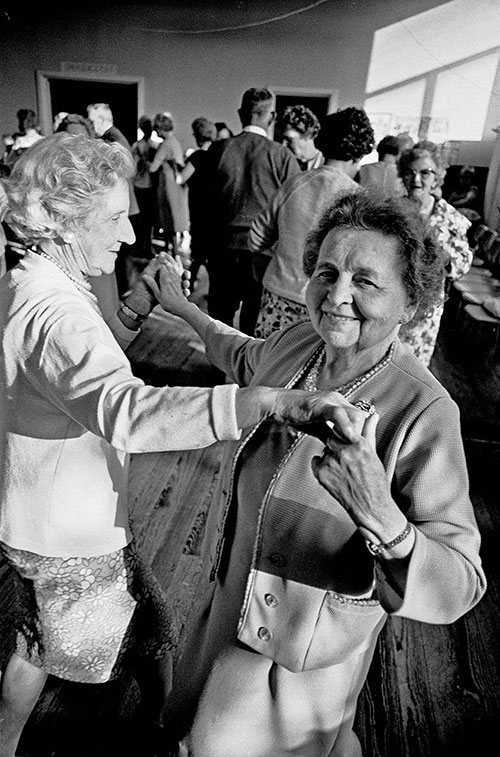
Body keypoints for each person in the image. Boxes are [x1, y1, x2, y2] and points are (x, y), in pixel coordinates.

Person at [0, 133, 354, 757]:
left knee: (68, 634)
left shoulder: (34, 282)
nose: (129, 234)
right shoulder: (53, 313)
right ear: (60, 222)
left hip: (45, 513)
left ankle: (142, 725)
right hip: (69, 526)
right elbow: (123, 408)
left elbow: (81, 371)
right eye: (113, 218)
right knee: (108, 635)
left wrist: (140, 307)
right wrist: (263, 402)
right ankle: (158, 731)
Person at [151, 189, 486, 757]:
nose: (336, 296)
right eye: (326, 273)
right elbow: (242, 355)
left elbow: (461, 582)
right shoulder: (298, 345)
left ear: (411, 302)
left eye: (366, 282)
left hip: (305, 642)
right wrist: (182, 308)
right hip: (233, 597)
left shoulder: (423, 410)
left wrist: (382, 514)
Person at [250, 106, 375, 338]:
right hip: (325, 305)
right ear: (359, 154)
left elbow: (257, 236)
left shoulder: (294, 183)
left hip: (278, 293)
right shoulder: (359, 199)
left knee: (268, 365)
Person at [204, 87, 301, 334]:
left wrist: (200, 248)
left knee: (219, 319)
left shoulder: (218, 150)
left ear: (240, 113)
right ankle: (246, 372)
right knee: (253, 322)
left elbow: (200, 204)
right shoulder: (281, 155)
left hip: (222, 246)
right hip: (262, 252)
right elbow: (294, 211)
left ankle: (216, 370)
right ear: (272, 117)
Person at [397, 145, 473, 366]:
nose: (416, 179)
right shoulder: (392, 209)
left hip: (425, 304)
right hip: (389, 296)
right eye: (410, 172)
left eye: (425, 172)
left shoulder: (450, 218)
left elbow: (462, 264)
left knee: (413, 367)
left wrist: (441, 255)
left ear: (437, 177)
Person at [87, 102, 141, 296]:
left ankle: (124, 290)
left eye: (91, 121)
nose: (89, 125)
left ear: (101, 121)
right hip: (126, 205)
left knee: (122, 252)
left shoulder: (112, 139)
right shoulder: (113, 137)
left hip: (123, 206)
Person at [176, 116, 218, 290]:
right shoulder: (219, 154)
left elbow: (180, 178)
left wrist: (175, 165)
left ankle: (190, 282)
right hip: (215, 207)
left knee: (198, 248)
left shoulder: (197, 156)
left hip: (198, 206)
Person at [148, 112, 190, 255]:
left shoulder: (165, 145)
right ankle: (173, 250)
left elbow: (153, 167)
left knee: (168, 219)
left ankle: (170, 251)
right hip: (175, 185)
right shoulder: (174, 142)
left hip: (167, 185)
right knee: (172, 219)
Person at [131, 115, 159, 257]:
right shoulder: (140, 146)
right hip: (142, 186)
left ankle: (146, 245)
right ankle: (142, 246)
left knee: (148, 220)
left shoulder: (152, 146)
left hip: (148, 187)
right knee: (143, 220)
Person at [280, 103, 324, 171]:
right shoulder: (282, 165)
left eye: (289, 139)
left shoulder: (326, 165)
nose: (283, 145)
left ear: (308, 135)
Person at [2, 109, 44, 173]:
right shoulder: (17, 140)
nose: (25, 122)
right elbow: (9, 162)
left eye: (29, 120)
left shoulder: (40, 139)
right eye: (23, 119)